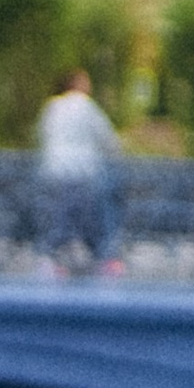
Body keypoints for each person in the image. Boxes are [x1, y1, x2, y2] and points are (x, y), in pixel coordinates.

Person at [33, 69, 121, 275]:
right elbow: (107, 138)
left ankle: (49, 259)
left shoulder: (52, 106)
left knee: (58, 215)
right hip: (82, 172)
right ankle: (103, 259)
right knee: (91, 216)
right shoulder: (85, 106)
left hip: (54, 170)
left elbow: (41, 134)